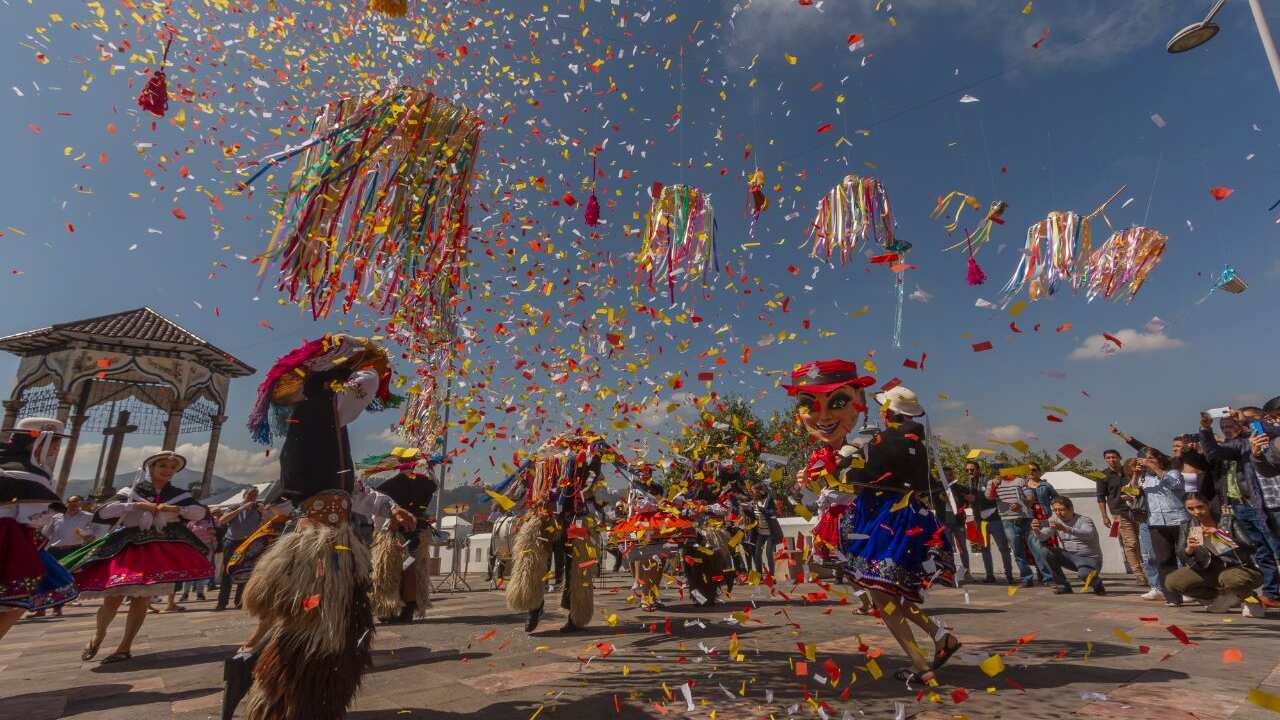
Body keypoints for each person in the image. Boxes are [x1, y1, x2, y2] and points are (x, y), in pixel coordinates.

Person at [224, 334, 417, 720]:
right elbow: (366, 383)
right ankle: (282, 693)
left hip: (326, 543)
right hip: (321, 551)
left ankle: (264, 679)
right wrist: (357, 356)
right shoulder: (317, 411)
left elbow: (349, 489)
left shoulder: (321, 428)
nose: (363, 388)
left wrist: (390, 507)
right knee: (317, 629)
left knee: (313, 625)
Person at [784, 365, 959, 686]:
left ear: (891, 413)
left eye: (882, 409)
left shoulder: (884, 442)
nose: (879, 414)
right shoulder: (916, 444)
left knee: (884, 600)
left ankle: (925, 666)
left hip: (884, 523)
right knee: (890, 598)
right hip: (909, 522)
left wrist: (823, 474)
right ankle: (938, 637)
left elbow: (854, 479)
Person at [64, 451, 213, 664]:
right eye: (163, 465)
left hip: (158, 549)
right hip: (129, 547)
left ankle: (125, 647)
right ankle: (98, 635)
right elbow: (104, 512)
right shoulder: (131, 491)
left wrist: (176, 509)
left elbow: (199, 513)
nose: (168, 470)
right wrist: (137, 505)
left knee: (141, 599)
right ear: (150, 468)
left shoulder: (178, 494)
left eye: (172, 468)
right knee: (112, 598)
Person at [505, 431, 609, 633]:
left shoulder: (586, 460)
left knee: (577, 568)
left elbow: (594, 489)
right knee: (533, 562)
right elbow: (524, 485)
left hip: (575, 518)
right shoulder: (543, 459)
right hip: (544, 516)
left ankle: (575, 616)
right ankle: (533, 608)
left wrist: (587, 492)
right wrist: (508, 501)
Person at [0, 418, 78, 640]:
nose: (55, 448)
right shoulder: (33, 474)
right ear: (36, 442)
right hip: (9, 538)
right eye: (53, 442)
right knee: (16, 602)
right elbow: (33, 517)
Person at [1200, 408, 1280, 610]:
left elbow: (1272, 431)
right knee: (1261, 550)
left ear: (1241, 425)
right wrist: (1205, 429)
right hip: (1238, 505)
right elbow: (1212, 451)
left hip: (1259, 504)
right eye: (1223, 427)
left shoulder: (1253, 440)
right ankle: (1271, 593)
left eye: (1230, 425)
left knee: (1275, 546)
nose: (1227, 430)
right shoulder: (1233, 446)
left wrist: (1245, 420)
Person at [1164, 493, 1264, 615]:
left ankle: (1250, 599)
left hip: (1239, 567)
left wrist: (1220, 536)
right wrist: (1189, 549)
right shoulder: (1188, 525)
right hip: (1209, 568)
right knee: (1173, 581)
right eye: (1190, 509)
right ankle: (1222, 596)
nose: (1196, 512)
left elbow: (1250, 547)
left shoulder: (1227, 520)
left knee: (1230, 578)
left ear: (1208, 504)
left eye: (1200, 507)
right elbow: (1181, 554)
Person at [369, 465, 440, 624]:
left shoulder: (390, 485)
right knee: (414, 569)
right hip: (418, 533)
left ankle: (390, 609)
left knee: (390, 571)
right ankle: (408, 608)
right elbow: (435, 484)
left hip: (396, 532)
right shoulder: (427, 483)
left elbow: (381, 511)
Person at [1135, 449, 1188, 606]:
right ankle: (1172, 597)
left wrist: (1156, 469)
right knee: (1164, 560)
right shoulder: (1144, 478)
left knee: (1186, 556)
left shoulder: (1173, 472)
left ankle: (1195, 591)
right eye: (1146, 460)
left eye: (1151, 459)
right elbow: (1132, 492)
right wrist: (1135, 474)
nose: (1148, 462)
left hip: (1178, 520)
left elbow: (1175, 485)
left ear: (1159, 459)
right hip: (1156, 522)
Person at [989, 465, 1052, 587]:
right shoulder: (992, 483)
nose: (1000, 471)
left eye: (1003, 469)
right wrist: (993, 486)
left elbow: (1030, 497)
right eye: (997, 470)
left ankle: (1048, 578)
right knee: (1017, 551)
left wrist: (1021, 504)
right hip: (1007, 521)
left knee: (1036, 548)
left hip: (1026, 519)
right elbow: (989, 497)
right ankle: (1026, 579)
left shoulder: (1020, 480)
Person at [1095, 448, 1150, 589]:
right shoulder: (1102, 475)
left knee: (1144, 542)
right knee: (1130, 543)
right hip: (1120, 513)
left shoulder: (1129, 470)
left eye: (1114, 457)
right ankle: (1139, 574)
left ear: (1119, 457)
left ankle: (1149, 571)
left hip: (1140, 511)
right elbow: (1101, 497)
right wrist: (1104, 516)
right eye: (1108, 458)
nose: (1111, 460)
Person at [1033, 497, 1105, 595]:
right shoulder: (1054, 520)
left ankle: (1097, 584)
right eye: (1055, 510)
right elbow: (1042, 537)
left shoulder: (1084, 520)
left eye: (1061, 509)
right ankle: (1063, 586)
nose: (1058, 513)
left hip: (1090, 559)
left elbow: (1088, 534)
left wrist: (1065, 528)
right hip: (1070, 557)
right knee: (1045, 551)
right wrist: (1036, 530)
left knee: (1084, 575)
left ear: (1071, 509)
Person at [961, 461, 1014, 585]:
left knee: (1003, 548)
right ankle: (989, 575)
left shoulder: (987, 481)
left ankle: (1009, 575)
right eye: (967, 470)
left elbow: (994, 497)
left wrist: (977, 498)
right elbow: (966, 501)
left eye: (972, 469)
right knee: (984, 548)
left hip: (995, 519)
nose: (970, 472)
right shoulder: (967, 485)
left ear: (978, 470)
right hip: (980, 521)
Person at [215, 487, 263, 611]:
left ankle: (239, 602)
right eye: (250, 495)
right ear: (244, 496)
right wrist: (241, 509)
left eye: (254, 495)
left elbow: (266, 522)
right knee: (227, 571)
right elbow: (222, 520)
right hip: (232, 542)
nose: (252, 498)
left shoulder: (257, 510)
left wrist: (263, 511)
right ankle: (222, 602)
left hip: (248, 544)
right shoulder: (234, 507)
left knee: (245, 572)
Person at [746, 482, 783, 577]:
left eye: (754, 491)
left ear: (759, 492)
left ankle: (772, 575)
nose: (752, 493)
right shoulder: (753, 502)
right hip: (761, 532)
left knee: (768, 553)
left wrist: (763, 510)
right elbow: (752, 515)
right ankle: (759, 575)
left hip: (771, 532)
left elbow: (774, 512)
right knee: (757, 553)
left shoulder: (768, 500)